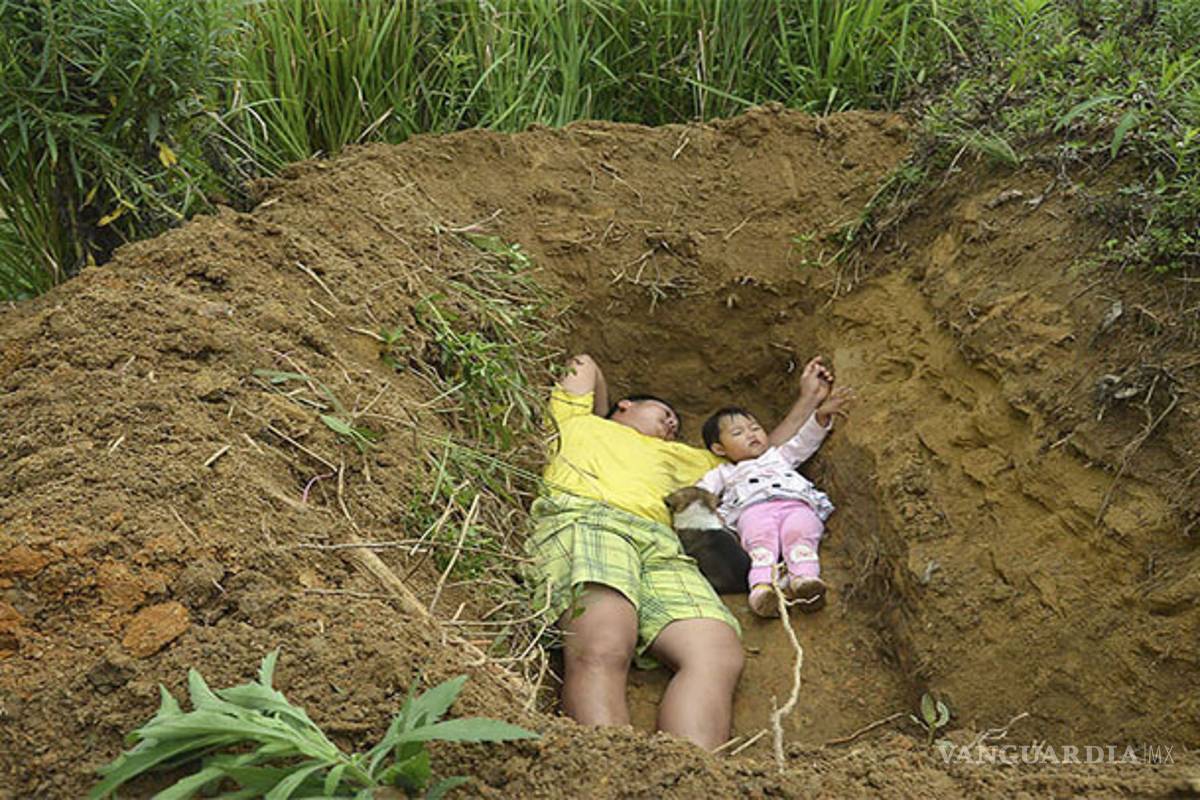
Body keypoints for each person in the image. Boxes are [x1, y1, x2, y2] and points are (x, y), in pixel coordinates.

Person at [526, 353, 832, 750]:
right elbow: (583, 363)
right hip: (589, 518)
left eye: (676, 422)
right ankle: (605, 777)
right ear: (625, 405)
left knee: (716, 651)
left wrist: (808, 398)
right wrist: (601, 413)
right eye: (664, 412)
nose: (673, 423)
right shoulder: (576, 422)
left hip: (662, 542)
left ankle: (687, 781)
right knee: (603, 641)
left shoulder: (688, 458)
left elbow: (760, 456)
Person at [696, 383, 854, 618]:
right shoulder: (724, 473)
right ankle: (762, 591)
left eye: (755, 428)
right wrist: (708, 512)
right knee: (760, 546)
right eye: (738, 433)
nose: (751, 434)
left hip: (796, 504)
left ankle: (804, 581)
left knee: (801, 536)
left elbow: (804, 442)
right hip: (752, 511)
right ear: (719, 448)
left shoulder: (779, 456)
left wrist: (820, 416)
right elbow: (701, 492)